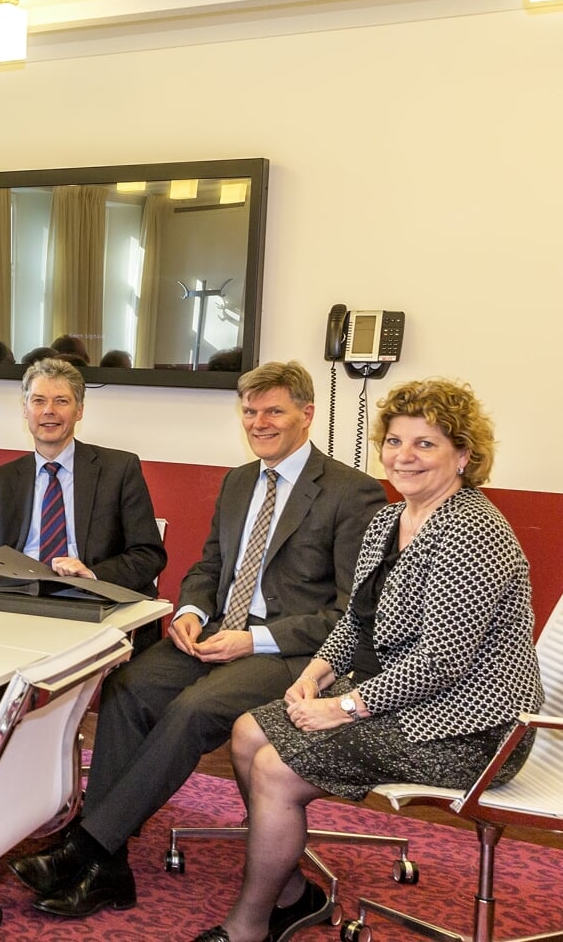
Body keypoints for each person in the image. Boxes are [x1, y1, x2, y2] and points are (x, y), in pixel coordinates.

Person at [13, 362, 385, 919]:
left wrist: (252, 641)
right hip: (212, 633)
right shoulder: (238, 481)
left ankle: (89, 847)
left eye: (274, 411)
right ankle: (109, 869)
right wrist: (189, 609)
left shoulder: (351, 493)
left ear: (307, 416)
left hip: (291, 652)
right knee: (129, 686)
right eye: (251, 412)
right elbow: (210, 566)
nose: (259, 423)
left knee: (192, 710)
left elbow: (351, 612)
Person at [194, 378, 543, 942]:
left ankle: (248, 926)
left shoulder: (473, 531)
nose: (404, 456)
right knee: (248, 733)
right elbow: (356, 621)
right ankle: (289, 892)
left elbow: (441, 661)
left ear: (464, 456)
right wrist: (314, 675)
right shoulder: (389, 521)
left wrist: (344, 707)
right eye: (395, 441)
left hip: (473, 726)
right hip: (404, 698)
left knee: (276, 770)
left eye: (425, 444)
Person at [0, 358, 166, 641]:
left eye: (61, 401)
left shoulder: (118, 470)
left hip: (91, 602)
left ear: (80, 411)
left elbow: (149, 555)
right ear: (25, 410)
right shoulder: (2, 479)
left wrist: (92, 574)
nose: (49, 411)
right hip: (18, 603)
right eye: (38, 401)